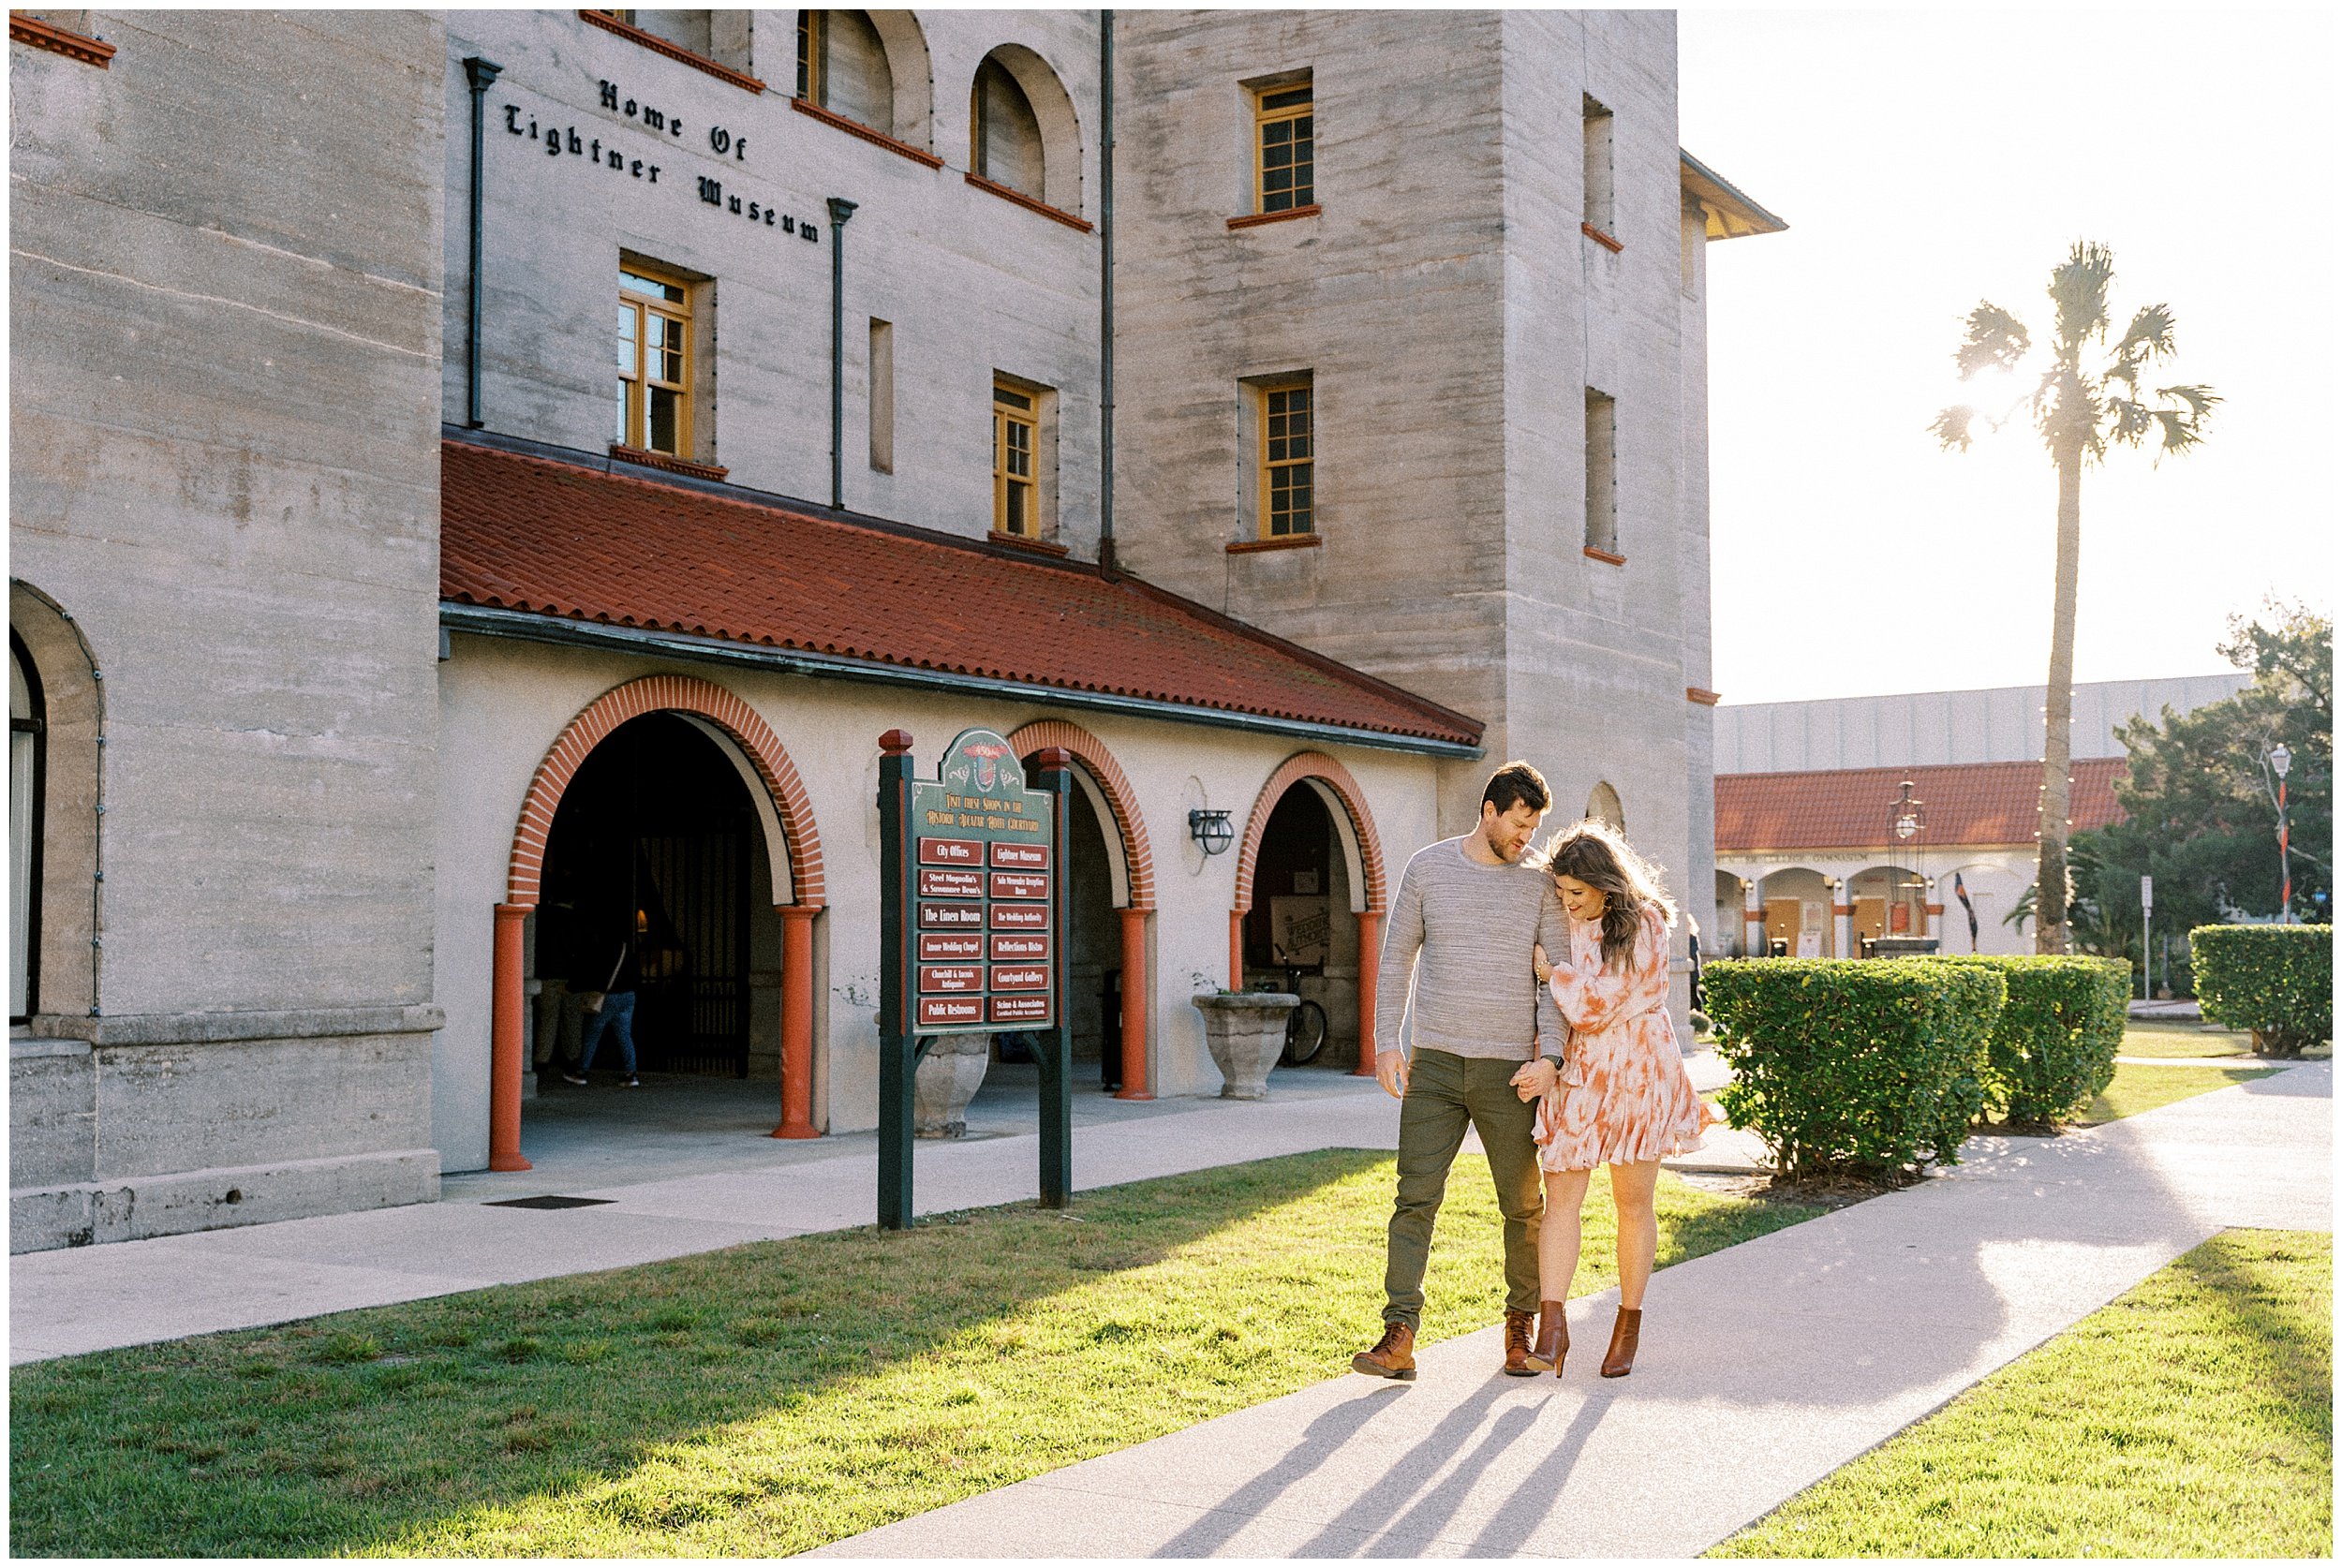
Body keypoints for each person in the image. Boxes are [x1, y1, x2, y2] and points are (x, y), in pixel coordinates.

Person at [1352, 762, 1574, 1383]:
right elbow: (1396, 960)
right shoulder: (1428, 868)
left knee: (1523, 1206)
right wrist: (1386, 1044)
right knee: (1413, 1196)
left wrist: (1550, 1060)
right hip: (1437, 1064)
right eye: (1519, 824)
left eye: (1534, 827)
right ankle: (1399, 1336)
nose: (1526, 838)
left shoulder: (1540, 883)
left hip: (1511, 1071)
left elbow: (1552, 978)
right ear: (1489, 810)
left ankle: (1519, 1330)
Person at [1510, 821, 1712, 1379]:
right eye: (1562, 893)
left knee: (1632, 1203)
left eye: (1578, 893)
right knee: (1562, 1200)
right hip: (1579, 1074)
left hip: (1640, 1074)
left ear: (1607, 884)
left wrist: (1555, 975)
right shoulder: (1562, 922)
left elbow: (1597, 1006)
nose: (1568, 904)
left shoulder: (1645, 922)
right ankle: (1552, 1328)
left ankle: (1628, 1324)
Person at [563, 925, 643, 1087]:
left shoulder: (603, 951)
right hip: (628, 996)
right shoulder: (628, 951)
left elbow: (594, 974)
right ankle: (631, 1073)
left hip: (609, 997)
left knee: (592, 1034)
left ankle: (581, 1071)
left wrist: (572, 988)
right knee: (625, 1035)